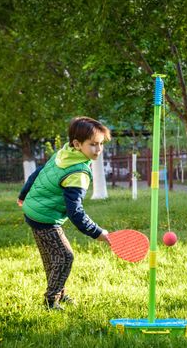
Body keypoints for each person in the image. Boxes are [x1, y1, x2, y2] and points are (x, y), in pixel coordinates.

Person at [18, 117, 111, 310]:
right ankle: (51, 300)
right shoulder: (78, 173)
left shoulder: (64, 154)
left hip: (33, 209)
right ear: (77, 144)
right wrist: (97, 232)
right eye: (93, 144)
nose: (99, 149)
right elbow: (75, 212)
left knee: (53, 257)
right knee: (65, 256)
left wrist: (23, 195)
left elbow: (38, 173)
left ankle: (59, 292)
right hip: (45, 217)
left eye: (101, 144)